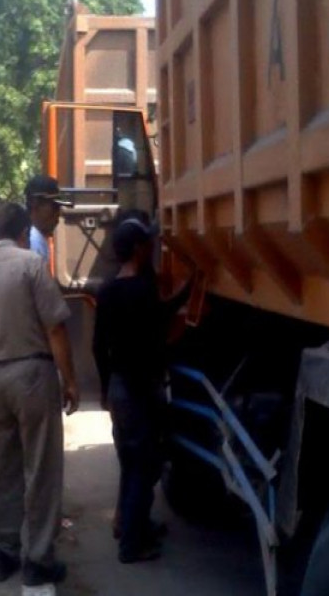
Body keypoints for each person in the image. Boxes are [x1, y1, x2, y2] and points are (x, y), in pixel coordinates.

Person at [0, 201, 80, 588]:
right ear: (21, 233)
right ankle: (39, 557)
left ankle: (2, 551)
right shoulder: (31, 266)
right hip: (32, 373)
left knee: (2, 467)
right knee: (41, 466)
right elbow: (55, 329)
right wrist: (70, 379)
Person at [92, 212, 191, 564]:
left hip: (120, 388)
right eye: (147, 242)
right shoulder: (142, 291)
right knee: (144, 467)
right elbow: (163, 319)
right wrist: (190, 285)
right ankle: (132, 546)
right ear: (137, 249)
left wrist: (105, 388)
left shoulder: (107, 291)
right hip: (142, 391)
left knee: (130, 460)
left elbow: (97, 346)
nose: (152, 246)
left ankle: (133, 526)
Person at [25, 174, 70, 270]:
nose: (58, 213)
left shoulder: (35, 238)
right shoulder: (33, 241)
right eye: (55, 207)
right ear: (35, 204)